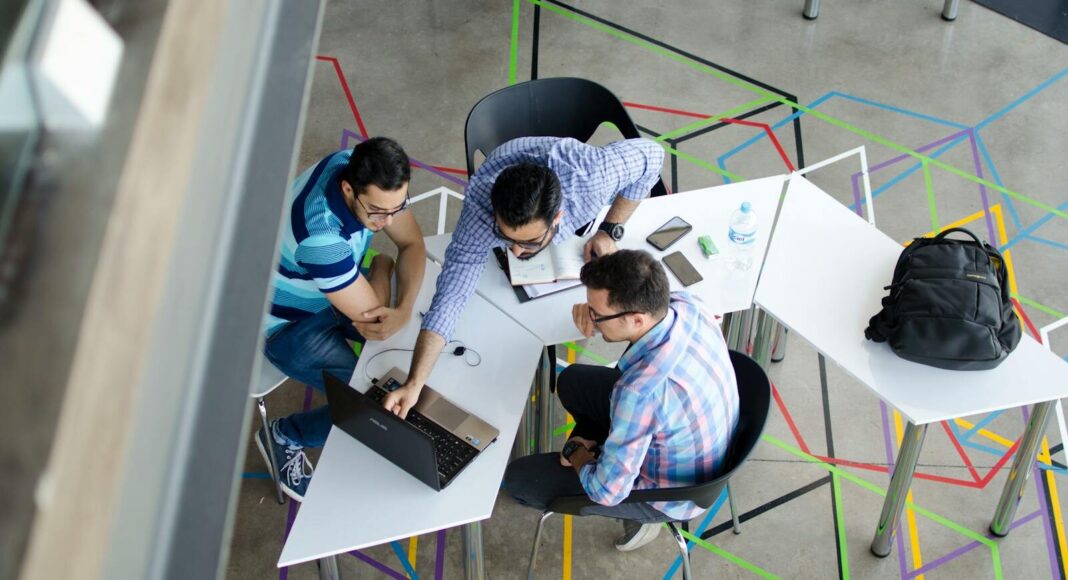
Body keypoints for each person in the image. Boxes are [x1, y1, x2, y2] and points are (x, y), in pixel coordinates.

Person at [383, 136, 664, 418]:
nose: (516, 252)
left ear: (558, 218)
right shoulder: (481, 207)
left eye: (529, 243)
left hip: (571, 166)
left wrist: (610, 228)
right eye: (506, 238)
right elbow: (451, 297)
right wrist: (415, 382)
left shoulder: (591, 179)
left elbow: (653, 155)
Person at [503, 250, 739, 551]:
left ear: (636, 319)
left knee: (521, 480)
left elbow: (606, 491)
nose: (591, 319)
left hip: (670, 493)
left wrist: (577, 452)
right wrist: (591, 310)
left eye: (596, 314)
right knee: (573, 381)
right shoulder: (687, 305)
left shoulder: (639, 393)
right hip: (699, 439)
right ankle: (607, 446)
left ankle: (641, 520)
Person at [257, 137, 426, 501]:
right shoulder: (322, 239)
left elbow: (412, 244)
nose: (388, 221)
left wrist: (405, 309)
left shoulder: (357, 165)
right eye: (378, 212)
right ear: (349, 189)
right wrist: (382, 266)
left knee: (405, 343)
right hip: (288, 325)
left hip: (331, 289)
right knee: (366, 403)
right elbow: (377, 320)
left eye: (398, 208)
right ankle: (286, 435)